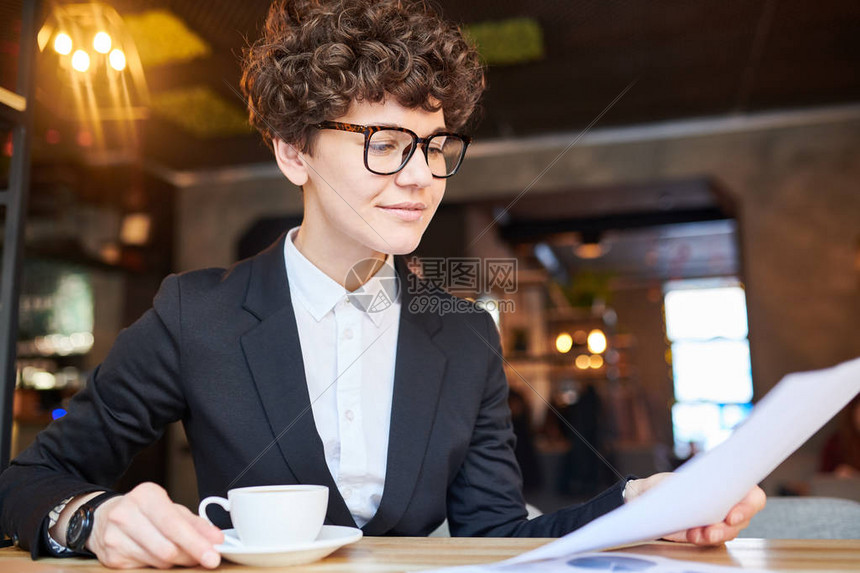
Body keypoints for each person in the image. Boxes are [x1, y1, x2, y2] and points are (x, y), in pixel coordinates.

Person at [0, 0, 765, 569]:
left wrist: (636, 507)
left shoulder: (465, 335)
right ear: (294, 153)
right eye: (385, 145)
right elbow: (31, 479)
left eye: (435, 147)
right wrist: (89, 518)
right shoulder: (195, 313)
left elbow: (496, 538)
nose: (422, 178)